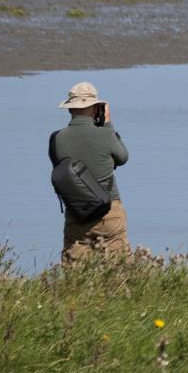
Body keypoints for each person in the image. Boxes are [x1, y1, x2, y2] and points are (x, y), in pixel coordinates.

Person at [48, 81, 129, 262]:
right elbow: (123, 158)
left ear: (70, 109)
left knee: (75, 270)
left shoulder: (57, 138)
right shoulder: (106, 134)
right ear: (95, 109)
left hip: (77, 214)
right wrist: (108, 124)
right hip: (109, 212)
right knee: (119, 268)